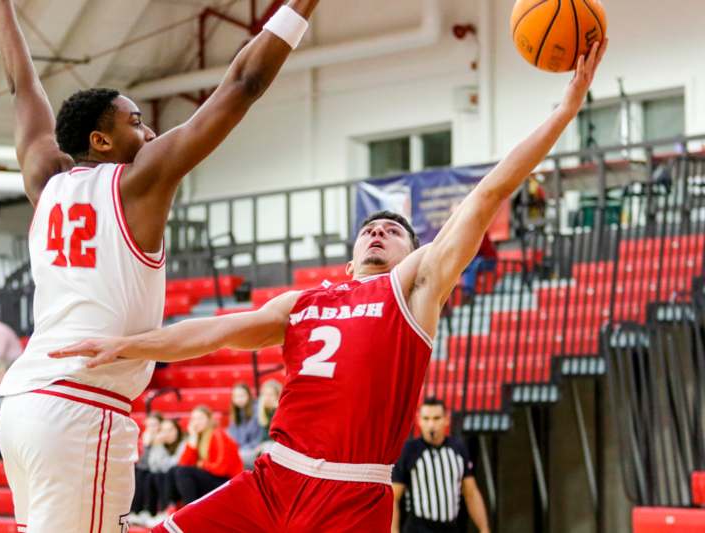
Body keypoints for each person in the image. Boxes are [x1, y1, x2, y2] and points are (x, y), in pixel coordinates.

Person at [50, 41, 608, 533]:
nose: (378, 233)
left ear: (414, 256)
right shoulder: (303, 303)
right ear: (348, 258)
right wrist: (128, 345)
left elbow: (487, 194)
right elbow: (214, 331)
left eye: (392, 232)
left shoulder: (412, 292)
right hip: (274, 480)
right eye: (370, 228)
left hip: (351, 493)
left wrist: (564, 111)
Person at [0, 0, 320, 529]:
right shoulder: (138, 180)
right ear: (100, 141)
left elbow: (21, 85)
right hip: (81, 405)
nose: (147, 134)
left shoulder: (45, 181)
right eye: (136, 122)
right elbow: (243, 84)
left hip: (24, 406)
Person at [392, 399, 489, 533]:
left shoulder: (458, 448)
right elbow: (394, 498)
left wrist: (484, 529)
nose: (431, 425)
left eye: (436, 418)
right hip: (418, 527)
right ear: (419, 420)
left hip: (450, 527)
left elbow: (471, 493)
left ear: (446, 419)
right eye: (426, 419)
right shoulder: (410, 450)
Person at [174, 406, 243, 506]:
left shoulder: (218, 434)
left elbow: (221, 469)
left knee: (183, 472)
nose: (197, 422)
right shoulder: (199, 436)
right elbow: (183, 464)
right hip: (213, 478)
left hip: (228, 482)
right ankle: (175, 509)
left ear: (209, 419)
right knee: (175, 470)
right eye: (194, 419)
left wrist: (202, 464)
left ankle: (190, 511)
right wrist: (193, 436)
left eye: (200, 418)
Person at [132, 416, 186, 527]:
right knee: (149, 475)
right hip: (164, 479)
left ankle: (163, 511)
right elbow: (153, 466)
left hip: (179, 481)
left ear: (178, 430)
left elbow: (172, 466)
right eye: (164, 430)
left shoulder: (183, 443)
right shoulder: (162, 444)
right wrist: (158, 445)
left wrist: (159, 447)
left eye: (171, 430)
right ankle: (147, 512)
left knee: (160, 476)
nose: (167, 433)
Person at [227, 383, 263, 468]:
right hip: (241, 450)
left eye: (242, 395)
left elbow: (257, 439)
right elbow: (232, 439)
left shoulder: (257, 410)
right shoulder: (235, 414)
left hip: (254, 449)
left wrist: (240, 450)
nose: (239, 399)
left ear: (249, 396)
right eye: (236, 396)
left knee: (237, 458)